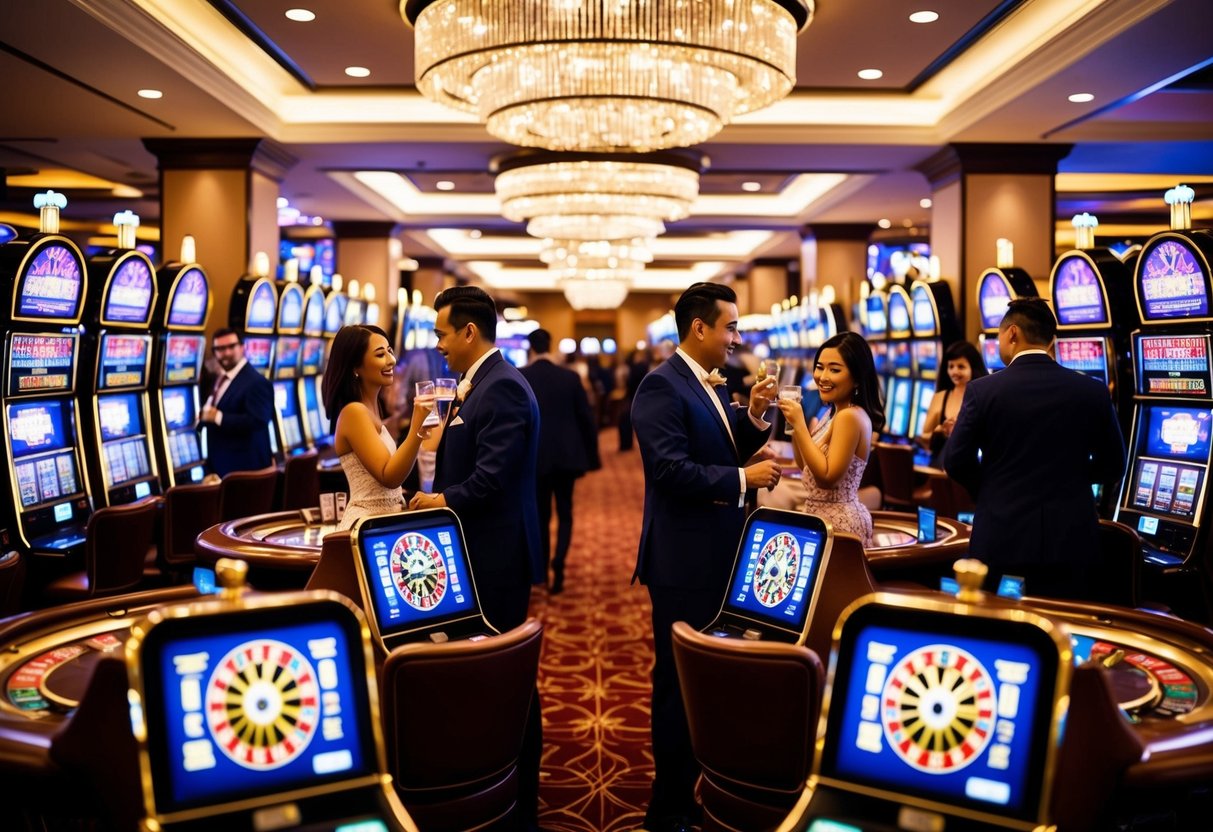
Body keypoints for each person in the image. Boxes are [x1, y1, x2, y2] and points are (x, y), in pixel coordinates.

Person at [631, 282, 781, 832]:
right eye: (731, 327)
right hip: (683, 559)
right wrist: (745, 478)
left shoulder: (708, 384)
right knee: (676, 683)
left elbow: (717, 449)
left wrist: (756, 418)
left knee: (707, 680)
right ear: (701, 328)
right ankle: (666, 806)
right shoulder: (660, 387)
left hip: (717, 549)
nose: (736, 339)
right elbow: (670, 471)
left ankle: (695, 790)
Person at [406, 285, 543, 830]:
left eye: (441, 333)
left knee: (505, 677)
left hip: (496, 552)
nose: (436, 343)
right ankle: (496, 781)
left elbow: (493, 478)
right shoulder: (478, 384)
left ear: (468, 331)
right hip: (480, 547)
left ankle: (519, 802)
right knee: (490, 671)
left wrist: (441, 499)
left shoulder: (503, 387)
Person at [944, 297, 1126, 600]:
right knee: (1068, 634)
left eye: (999, 335)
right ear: (1051, 340)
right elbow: (1114, 465)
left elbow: (956, 460)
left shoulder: (983, 390)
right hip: (1072, 538)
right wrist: (1071, 478)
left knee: (1004, 632)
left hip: (1002, 535)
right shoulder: (1091, 389)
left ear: (1012, 333)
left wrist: (991, 488)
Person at [779, 332, 886, 546]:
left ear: (856, 378)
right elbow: (806, 466)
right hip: (821, 519)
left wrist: (800, 423)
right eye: (820, 367)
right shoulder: (833, 413)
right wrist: (792, 425)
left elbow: (827, 479)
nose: (823, 377)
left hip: (840, 525)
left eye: (834, 370)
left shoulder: (850, 416)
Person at [322, 325, 432, 532]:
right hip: (365, 527)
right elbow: (389, 477)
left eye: (390, 351)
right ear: (355, 367)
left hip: (382, 523)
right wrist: (416, 429)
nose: (391, 360)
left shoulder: (371, 410)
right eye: (380, 354)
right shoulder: (354, 412)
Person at [519, 327, 601, 594]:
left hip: (536, 458)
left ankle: (540, 571)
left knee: (541, 516)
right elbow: (586, 418)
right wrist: (593, 457)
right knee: (565, 514)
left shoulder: (521, 376)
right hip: (567, 456)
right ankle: (560, 566)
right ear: (550, 345)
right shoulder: (570, 376)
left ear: (530, 348)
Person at [200, 328, 274, 477]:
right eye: (220, 349)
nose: (226, 353)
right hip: (224, 466)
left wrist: (218, 417)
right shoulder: (220, 379)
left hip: (247, 470)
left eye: (231, 347)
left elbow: (259, 420)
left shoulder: (256, 382)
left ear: (242, 347)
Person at [916, 340, 988, 469]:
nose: (954, 372)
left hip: (974, 466)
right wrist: (940, 430)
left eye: (961, 367)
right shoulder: (940, 397)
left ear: (973, 367)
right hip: (941, 467)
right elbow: (924, 437)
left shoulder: (983, 397)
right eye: (951, 366)